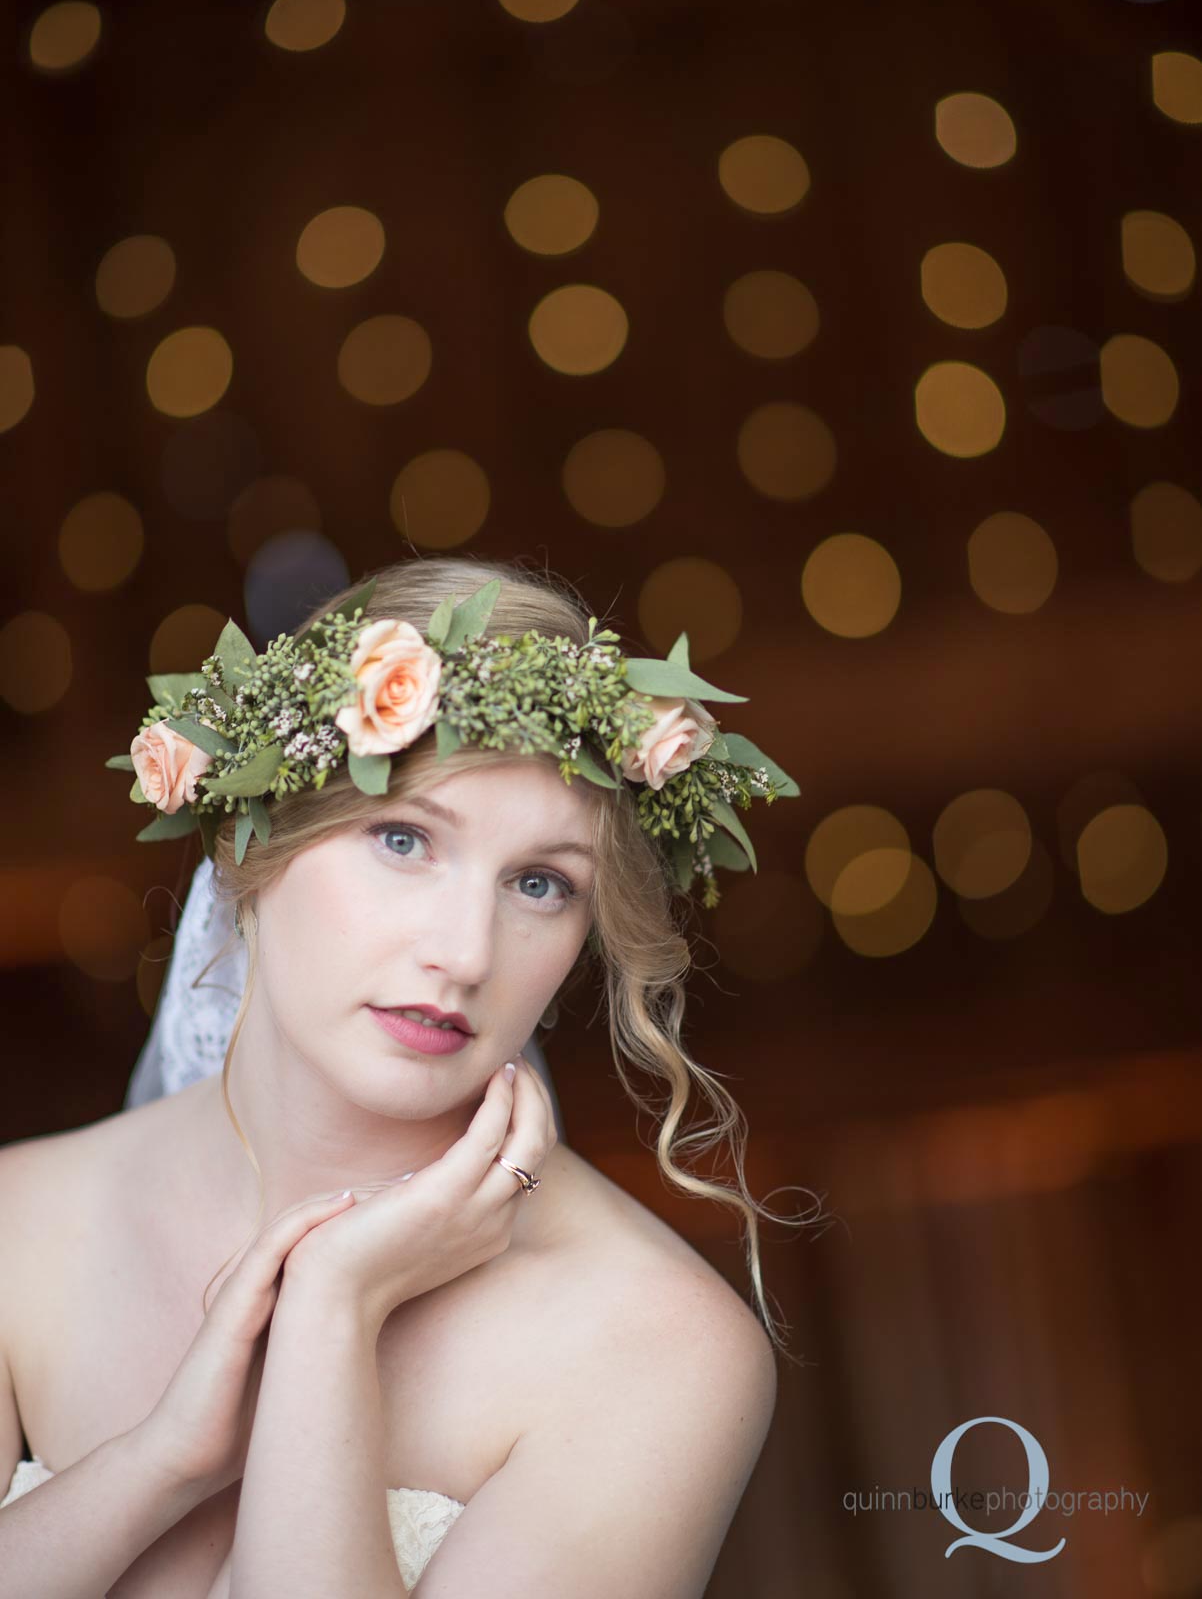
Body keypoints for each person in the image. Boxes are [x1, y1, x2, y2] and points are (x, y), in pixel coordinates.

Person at [0, 552, 816, 1598]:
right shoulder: (17, 1226)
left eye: (538, 883)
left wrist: (332, 1310)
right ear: (251, 837)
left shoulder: (658, 1347)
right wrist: (162, 1462)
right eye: (403, 838)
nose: (465, 952)